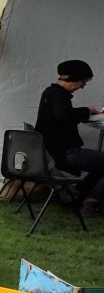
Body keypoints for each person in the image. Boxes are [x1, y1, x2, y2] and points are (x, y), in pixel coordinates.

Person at [34, 59, 104, 211]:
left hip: (54, 151)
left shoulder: (51, 93)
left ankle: (78, 196)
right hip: (64, 153)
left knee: (99, 165)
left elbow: (62, 114)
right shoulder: (59, 95)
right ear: (73, 80)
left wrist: (83, 112)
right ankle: (90, 202)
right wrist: (85, 111)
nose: (83, 86)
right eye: (83, 82)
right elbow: (63, 115)